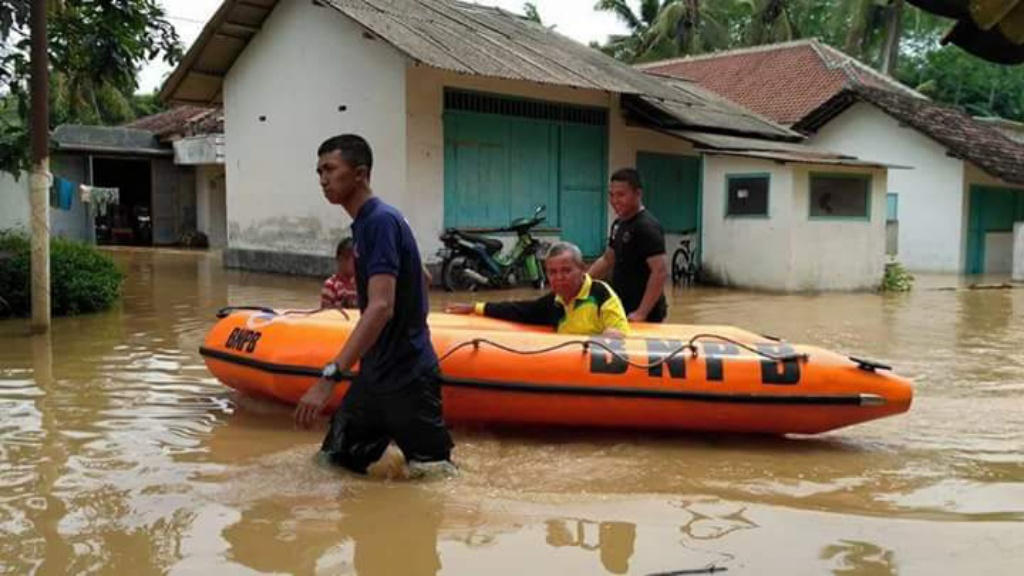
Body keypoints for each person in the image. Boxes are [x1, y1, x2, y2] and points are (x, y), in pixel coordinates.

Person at [294, 134, 454, 479]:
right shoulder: (374, 222)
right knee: (333, 464)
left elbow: (381, 307)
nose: (322, 179)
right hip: (374, 377)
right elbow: (423, 277)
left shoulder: (379, 221)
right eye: (319, 171)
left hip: (408, 378)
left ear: (360, 174)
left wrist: (329, 377)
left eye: (330, 169)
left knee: (435, 480)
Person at [446, 242, 630, 337]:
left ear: (582, 268)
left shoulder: (601, 294)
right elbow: (519, 310)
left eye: (566, 270)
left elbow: (618, 333)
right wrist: (474, 308)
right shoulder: (555, 302)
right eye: (553, 272)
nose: (559, 278)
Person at [587, 168, 669, 323]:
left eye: (621, 195)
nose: (615, 200)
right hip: (621, 308)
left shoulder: (647, 227)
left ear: (638, 194)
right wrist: (583, 282)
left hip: (644, 315)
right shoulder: (619, 223)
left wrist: (641, 313)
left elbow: (660, 272)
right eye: (611, 195)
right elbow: (607, 259)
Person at [321, 237, 358, 309]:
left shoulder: (362, 284)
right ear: (341, 260)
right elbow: (325, 312)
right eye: (354, 261)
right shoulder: (330, 285)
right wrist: (343, 304)